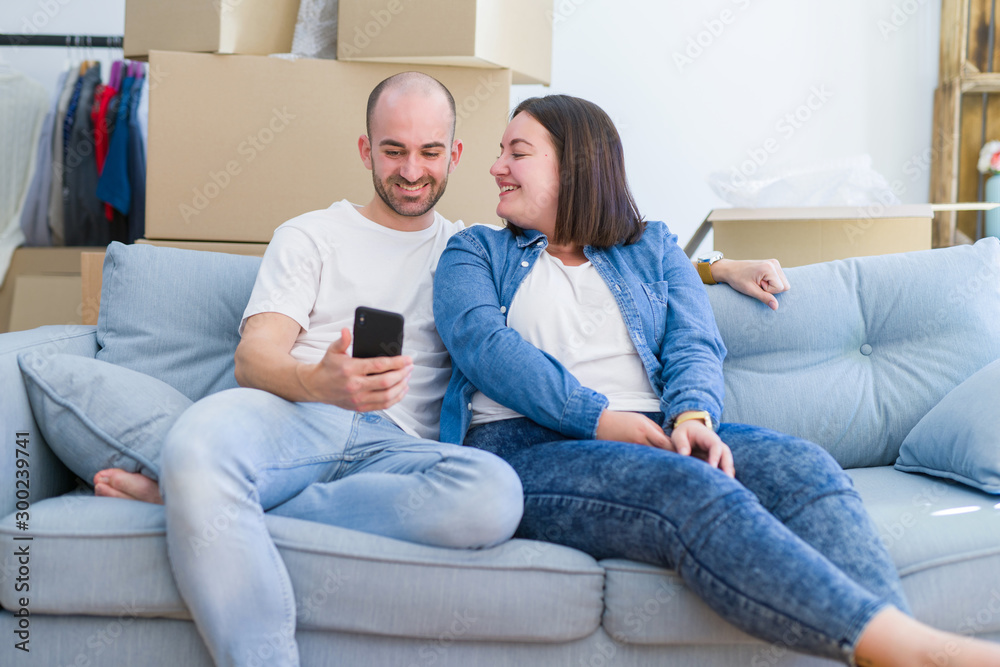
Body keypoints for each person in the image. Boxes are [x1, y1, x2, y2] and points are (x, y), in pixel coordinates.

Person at [86, 73, 791, 666]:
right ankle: (221, 523)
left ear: (454, 154)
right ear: (366, 149)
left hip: (401, 454)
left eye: (429, 151)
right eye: (393, 151)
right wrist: (318, 382)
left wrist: (718, 266)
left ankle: (218, 508)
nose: (412, 170)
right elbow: (255, 355)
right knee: (199, 443)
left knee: (493, 498)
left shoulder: (473, 250)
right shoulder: (311, 234)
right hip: (294, 419)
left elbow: (613, 246)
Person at [432, 94, 1000, 667]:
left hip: (659, 428)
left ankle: (898, 649)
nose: (496, 166)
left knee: (805, 466)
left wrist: (693, 417)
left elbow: (693, 344)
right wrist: (601, 420)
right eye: (500, 152)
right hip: (525, 445)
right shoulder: (473, 251)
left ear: (573, 164)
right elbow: (486, 348)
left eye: (517, 152)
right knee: (686, 487)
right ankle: (911, 650)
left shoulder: (651, 246)